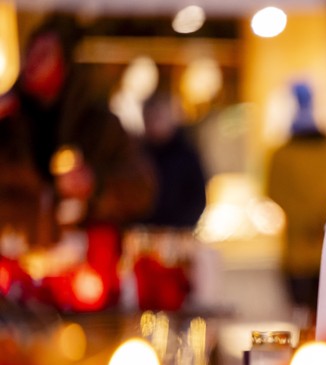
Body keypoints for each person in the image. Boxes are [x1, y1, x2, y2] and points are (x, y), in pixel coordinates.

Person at [0, 13, 155, 246]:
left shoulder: (99, 125)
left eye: (45, 54)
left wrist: (94, 185)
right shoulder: (7, 120)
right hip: (12, 261)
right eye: (31, 52)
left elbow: (142, 189)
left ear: (65, 64)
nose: (34, 62)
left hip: (79, 263)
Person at [266, 81, 326, 325]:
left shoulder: (280, 156)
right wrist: (323, 220)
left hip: (298, 253)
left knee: (303, 321)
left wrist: (305, 220)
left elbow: (274, 194)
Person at [140, 90, 207, 229]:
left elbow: (197, 198)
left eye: (158, 117)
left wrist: (182, 225)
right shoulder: (139, 154)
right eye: (148, 118)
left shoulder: (186, 155)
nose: (153, 124)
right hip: (144, 233)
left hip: (178, 233)